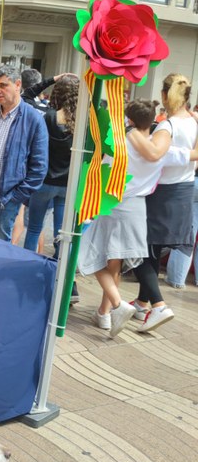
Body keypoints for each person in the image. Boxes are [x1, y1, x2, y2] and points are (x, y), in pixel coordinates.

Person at [78, 100, 196, 337]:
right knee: (116, 262)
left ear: (129, 120)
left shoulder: (117, 145)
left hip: (113, 204)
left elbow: (99, 171)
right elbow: (193, 155)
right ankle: (104, 313)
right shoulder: (162, 151)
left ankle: (117, 304)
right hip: (139, 209)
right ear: (152, 120)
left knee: (86, 254)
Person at [127, 74, 198, 332]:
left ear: (166, 95)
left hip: (163, 193)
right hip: (182, 190)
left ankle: (158, 304)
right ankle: (143, 302)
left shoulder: (168, 126)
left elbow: (155, 154)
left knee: (142, 251)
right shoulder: (193, 121)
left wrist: (132, 134)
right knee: (153, 249)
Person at [0, 65, 48, 241]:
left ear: (17, 84)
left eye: (3, 85)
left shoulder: (33, 120)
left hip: (6, 196)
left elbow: (39, 167)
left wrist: (16, 197)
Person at [24, 75, 80, 257]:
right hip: (67, 184)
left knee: (33, 229)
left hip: (44, 181)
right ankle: (58, 269)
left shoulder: (47, 117)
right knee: (61, 234)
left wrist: (52, 79)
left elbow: (26, 96)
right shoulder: (82, 123)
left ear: (57, 94)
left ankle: (27, 265)